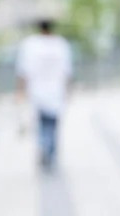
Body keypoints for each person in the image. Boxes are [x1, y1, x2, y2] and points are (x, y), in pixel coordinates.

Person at [16, 19, 72, 172]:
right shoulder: (61, 44)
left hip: (37, 91)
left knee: (41, 124)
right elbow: (67, 72)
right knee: (53, 125)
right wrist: (68, 91)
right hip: (56, 91)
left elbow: (22, 72)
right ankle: (50, 152)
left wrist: (21, 91)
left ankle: (44, 147)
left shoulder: (30, 45)